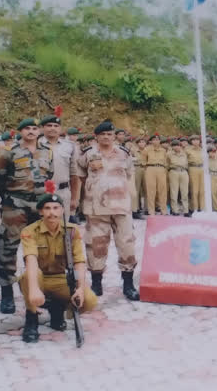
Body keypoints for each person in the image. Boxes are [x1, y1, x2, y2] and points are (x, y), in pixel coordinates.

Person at [18, 182, 98, 343]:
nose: (52, 213)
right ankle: (31, 317)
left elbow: (79, 262)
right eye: (47, 208)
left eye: (55, 208)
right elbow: (31, 261)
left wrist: (80, 289)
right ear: (40, 211)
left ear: (62, 210)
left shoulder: (72, 231)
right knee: (29, 275)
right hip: (38, 278)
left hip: (61, 279)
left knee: (90, 300)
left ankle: (57, 309)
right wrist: (34, 290)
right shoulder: (29, 231)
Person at [0, 117, 53, 314]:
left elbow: (48, 175)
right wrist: (9, 196)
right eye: (27, 128)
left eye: (35, 128)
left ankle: (38, 286)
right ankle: (7, 291)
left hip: (40, 206)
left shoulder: (46, 151)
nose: (31, 131)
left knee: (41, 247)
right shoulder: (9, 153)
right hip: (15, 204)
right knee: (8, 246)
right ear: (20, 131)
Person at [77, 121, 139, 301]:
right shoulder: (87, 154)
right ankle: (97, 283)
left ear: (114, 136)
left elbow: (129, 176)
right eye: (102, 134)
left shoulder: (124, 153)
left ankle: (128, 284)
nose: (106, 137)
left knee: (126, 244)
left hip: (121, 207)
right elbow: (80, 177)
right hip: (96, 209)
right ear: (96, 136)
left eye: (110, 134)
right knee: (96, 246)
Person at [38, 107, 80, 222]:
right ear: (42, 128)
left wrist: (74, 198)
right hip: (41, 192)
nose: (53, 128)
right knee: (41, 228)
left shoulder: (70, 146)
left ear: (60, 128)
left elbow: (74, 174)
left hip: (63, 192)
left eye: (56, 126)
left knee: (62, 228)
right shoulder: (35, 145)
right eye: (49, 125)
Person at [141, 134, 167, 216]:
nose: (156, 141)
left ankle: (164, 210)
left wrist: (163, 168)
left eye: (158, 139)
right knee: (151, 191)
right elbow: (143, 161)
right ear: (151, 141)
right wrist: (148, 168)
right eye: (154, 140)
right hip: (150, 169)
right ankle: (151, 211)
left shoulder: (163, 150)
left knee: (162, 190)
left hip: (161, 169)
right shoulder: (146, 150)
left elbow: (166, 161)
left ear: (160, 141)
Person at [167, 140, 190, 215]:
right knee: (174, 192)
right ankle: (174, 210)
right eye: (174, 145)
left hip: (184, 172)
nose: (177, 147)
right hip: (173, 171)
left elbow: (188, 163)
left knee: (185, 192)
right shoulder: (169, 154)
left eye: (178, 145)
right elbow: (166, 164)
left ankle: (186, 210)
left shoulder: (185, 153)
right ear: (172, 147)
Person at [186, 135, 205, 213]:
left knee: (202, 190)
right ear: (191, 141)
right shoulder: (187, 150)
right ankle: (195, 208)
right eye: (193, 140)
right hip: (192, 168)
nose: (196, 141)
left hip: (202, 169)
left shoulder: (203, 150)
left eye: (197, 140)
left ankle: (202, 208)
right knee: (194, 190)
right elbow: (185, 161)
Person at [131, 137, 147, 219]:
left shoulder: (147, 151)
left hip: (146, 169)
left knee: (146, 189)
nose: (142, 143)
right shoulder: (133, 150)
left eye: (143, 142)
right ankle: (135, 209)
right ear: (137, 143)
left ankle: (146, 209)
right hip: (137, 168)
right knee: (136, 189)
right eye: (140, 142)